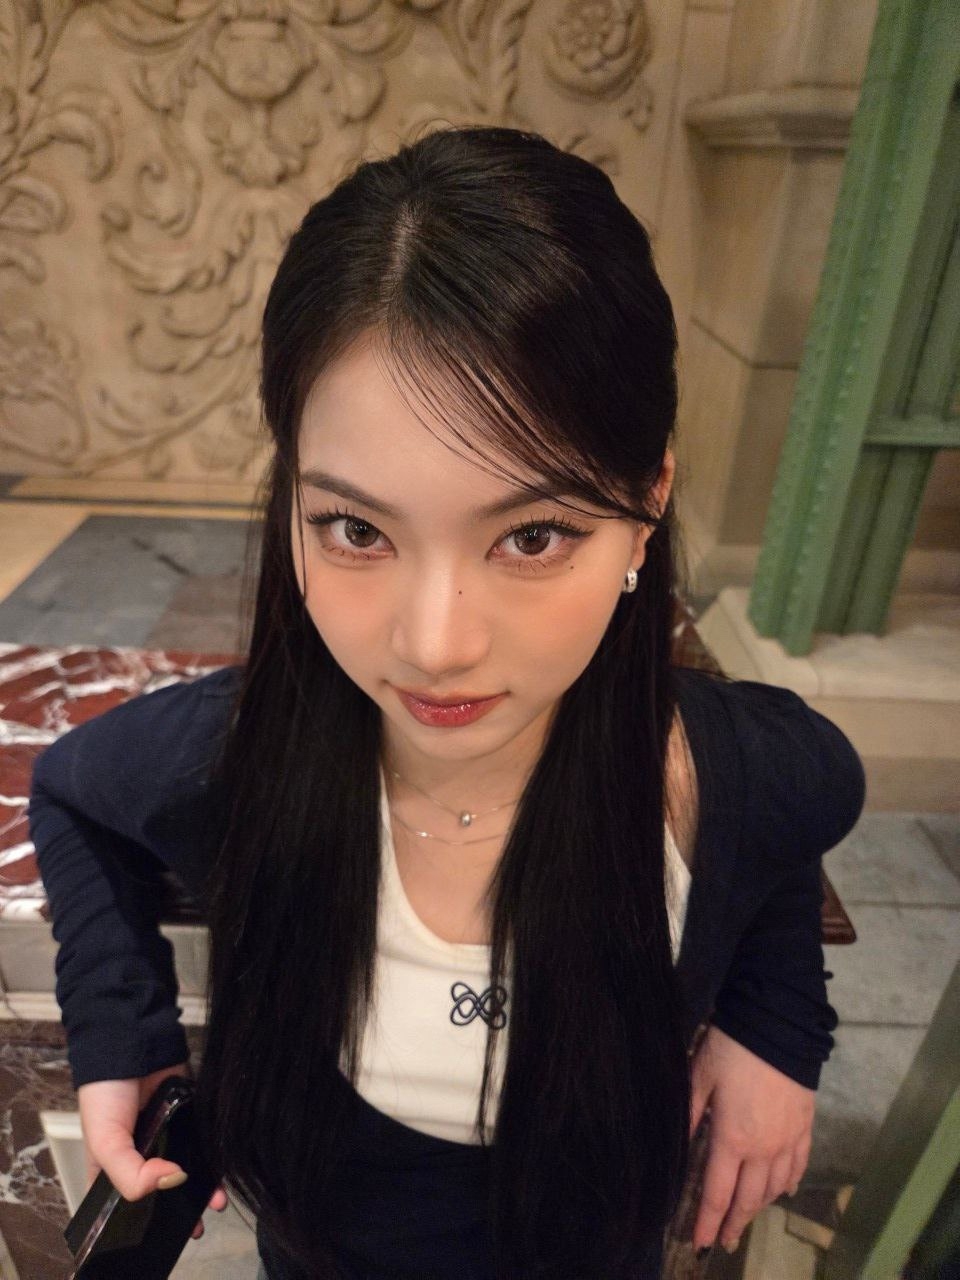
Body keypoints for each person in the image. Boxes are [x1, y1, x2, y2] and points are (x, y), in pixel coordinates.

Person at [30, 126, 865, 1280]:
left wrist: (777, 1022)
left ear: (647, 505)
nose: (435, 646)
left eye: (533, 534)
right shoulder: (239, 753)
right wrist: (121, 1028)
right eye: (356, 528)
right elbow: (69, 792)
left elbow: (798, 813)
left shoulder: (721, 772)